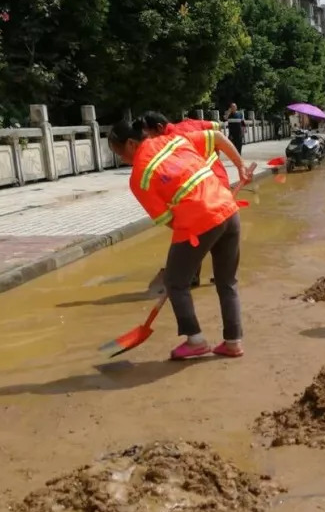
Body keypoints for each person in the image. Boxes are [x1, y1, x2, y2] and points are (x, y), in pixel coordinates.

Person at [108, 119, 253, 360]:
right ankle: (233, 342)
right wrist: (240, 166)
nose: (120, 158)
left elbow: (168, 219)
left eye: (118, 151)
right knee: (227, 282)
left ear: (132, 144)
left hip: (200, 221)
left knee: (175, 282)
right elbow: (217, 137)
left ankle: (195, 341)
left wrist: (193, 240)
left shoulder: (140, 177)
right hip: (228, 209)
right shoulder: (175, 140)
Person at [139, 111, 254, 289]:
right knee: (220, 233)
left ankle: (197, 275)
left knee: (196, 232)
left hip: (206, 189)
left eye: (149, 136)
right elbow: (215, 129)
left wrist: (239, 165)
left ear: (160, 128)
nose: (148, 142)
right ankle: (224, 275)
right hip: (214, 186)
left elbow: (216, 135)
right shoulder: (188, 125)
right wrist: (237, 164)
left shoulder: (175, 138)